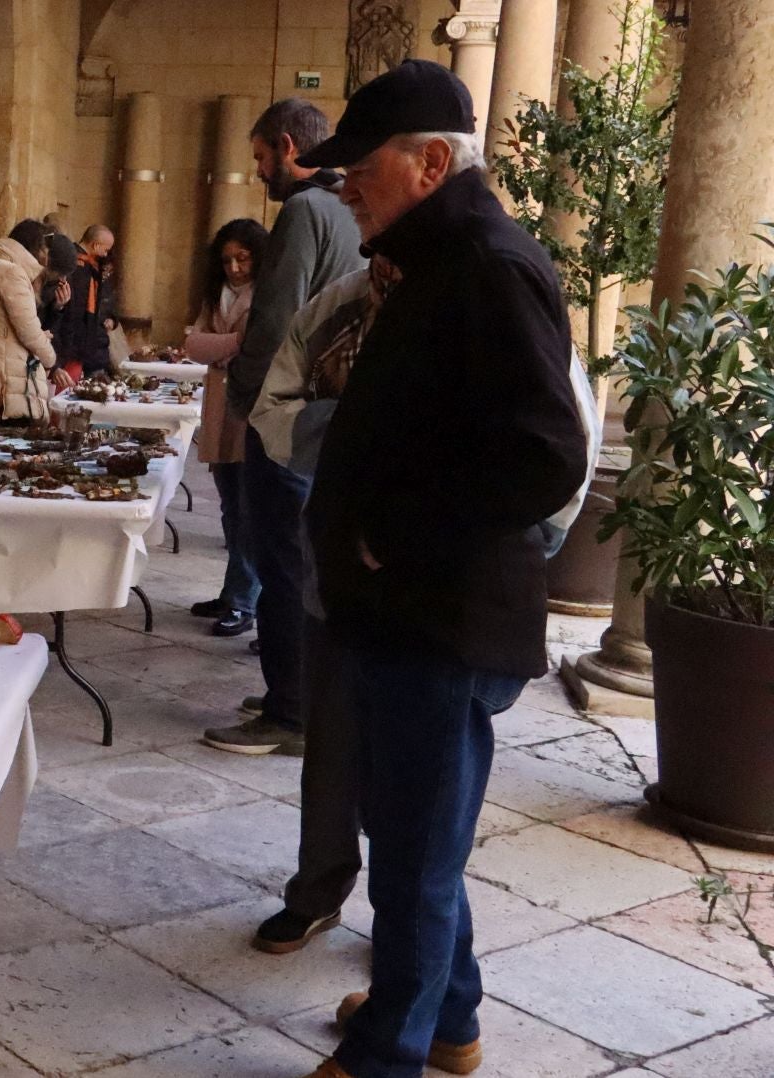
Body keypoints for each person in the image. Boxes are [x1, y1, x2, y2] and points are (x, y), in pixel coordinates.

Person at [294, 61, 585, 1078]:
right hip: (404, 610)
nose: (344, 187)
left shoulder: (487, 264)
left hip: (439, 613)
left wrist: (401, 530)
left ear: (427, 163)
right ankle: (449, 1020)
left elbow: (548, 451)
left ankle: (389, 1052)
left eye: (358, 169)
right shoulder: (439, 256)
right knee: (412, 832)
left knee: (416, 853)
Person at [243, 256, 398, 957]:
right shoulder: (341, 303)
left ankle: (411, 926)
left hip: (444, 589)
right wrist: (363, 434)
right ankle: (318, 890)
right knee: (332, 741)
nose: (354, 198)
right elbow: (273, 407)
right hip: (338, 567)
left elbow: (559, 442)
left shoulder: (494, 293)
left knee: (421, 770)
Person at [203, 98, 367, 757]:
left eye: (262, 157)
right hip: (328, 420)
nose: (259, 171)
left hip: (288, 420)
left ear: (289, 147)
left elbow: (275, 320)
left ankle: (288, 712)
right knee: (303, 561)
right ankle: (295, 689)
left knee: (280, 562)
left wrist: (246, 398)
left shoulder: (304, 210)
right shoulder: (348, 210)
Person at [183, 219, 269, 638]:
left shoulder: (269, 292)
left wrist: (225, 346)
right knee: (230, 506)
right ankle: (232, 589)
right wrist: (232, 344)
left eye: (243, 258)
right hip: (220, 405)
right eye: (227, 260)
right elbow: (193, 344)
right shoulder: (214, 294)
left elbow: (257, 344)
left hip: (249, 406)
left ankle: (244, 600)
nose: (234, 268)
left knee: (251, 509)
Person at [0, 219, 73, 427]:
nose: (45, 257)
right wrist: (50, 359)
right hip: (5, 384)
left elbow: (3, 325)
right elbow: (28, 331)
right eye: (44, 249)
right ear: (36, 248)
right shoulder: (12, 273)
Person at [53, 225, 118, 380]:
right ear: (95, 245)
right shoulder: (75, 265)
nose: (106, 254)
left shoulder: (94, 266)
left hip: (86, 342)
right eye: (106, 249)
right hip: (73, 342)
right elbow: (75, 310)